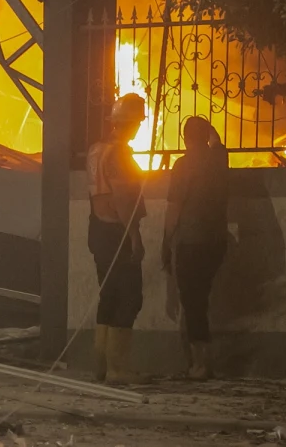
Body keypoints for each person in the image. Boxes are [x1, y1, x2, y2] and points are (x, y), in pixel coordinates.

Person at [85, 92, 148, 384]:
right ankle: (117, 369)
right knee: (130, 297)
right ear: (131, 124)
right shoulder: (120, 154)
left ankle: (101, 365)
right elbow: (123, 199)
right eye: (138, 123)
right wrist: (134, 236)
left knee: (108, 295)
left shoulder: (95, 150)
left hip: (97, 230)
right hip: (117, 232)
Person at [162, 116, 229, 380]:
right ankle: (202, 362)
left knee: (192, 303)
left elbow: (174, 208)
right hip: (217, 241)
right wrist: (210, 130)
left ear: (185, 138)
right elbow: (217, 142)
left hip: (191, 241)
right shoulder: (219, 159)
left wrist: (166, 242)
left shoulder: (183, 165)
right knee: (201, 298)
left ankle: (199, 364)